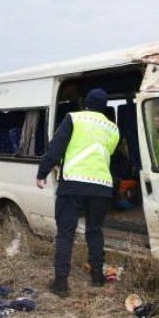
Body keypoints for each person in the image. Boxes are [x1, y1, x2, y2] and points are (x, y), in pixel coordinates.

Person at [36, 88, 120, 297]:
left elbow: (56, 148)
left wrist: (42, 172)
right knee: (95, 231)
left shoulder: (74, 118)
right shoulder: (113, 128)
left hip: (73, 183)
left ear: (86, 103)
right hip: (101, 185)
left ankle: (61, 284)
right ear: (104, 107)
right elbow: (109, 154)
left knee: (66, 233)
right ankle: (98, 278)